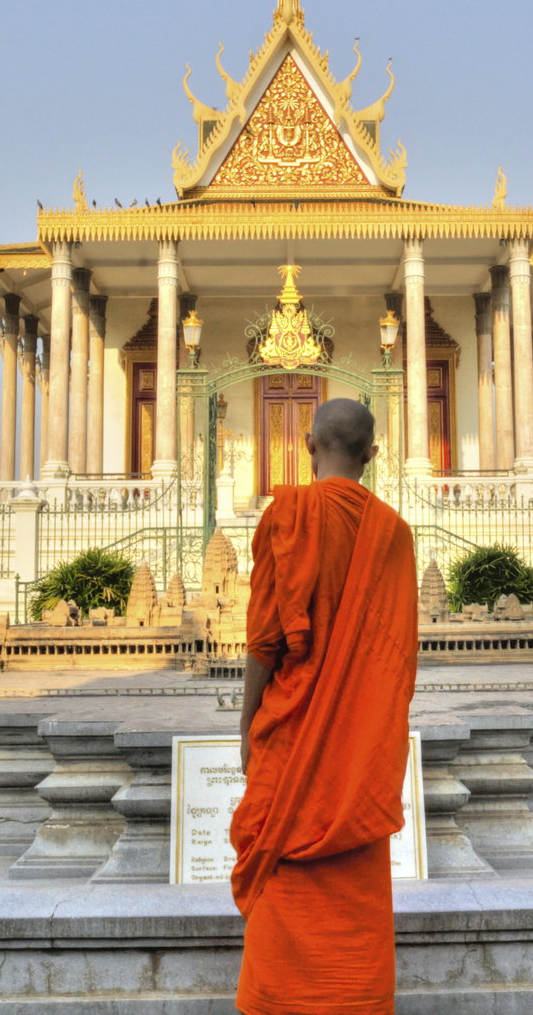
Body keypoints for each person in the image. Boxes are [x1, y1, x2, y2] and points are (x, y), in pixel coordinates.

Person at [230, 397, 419, 1015]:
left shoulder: (287, 517)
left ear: (308, 445)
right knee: (353, 910)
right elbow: (396, 660)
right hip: (356, 756)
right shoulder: (395, 534)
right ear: (373, 452)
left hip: (291, 743)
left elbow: (263, 642)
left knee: (283, 888)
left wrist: (248, 723)